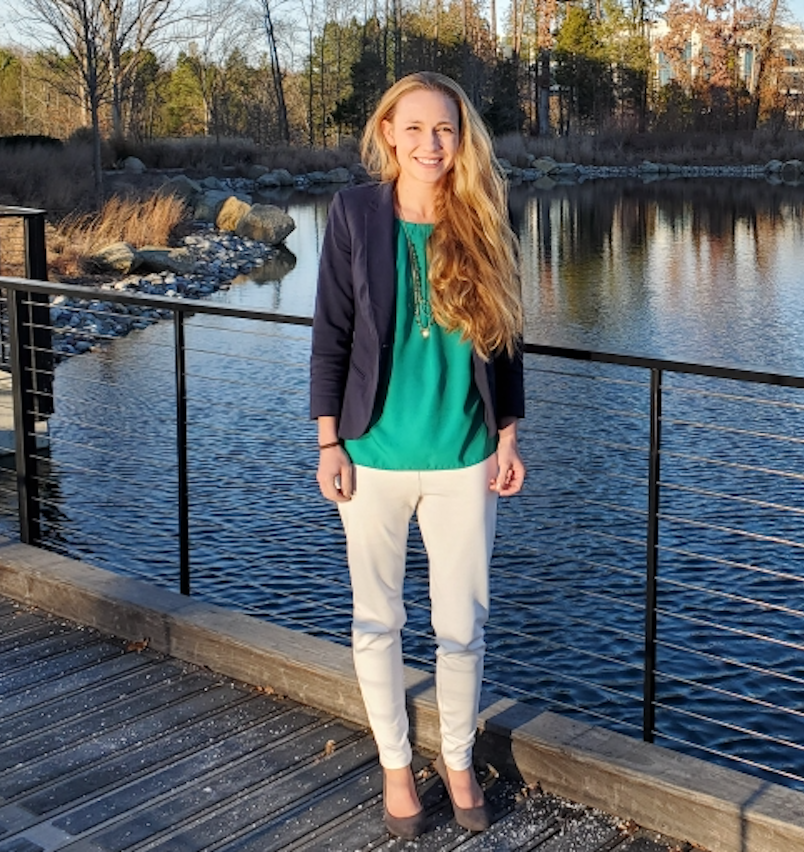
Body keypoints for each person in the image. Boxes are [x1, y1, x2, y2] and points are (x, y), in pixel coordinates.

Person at [309, 71, 526, 839]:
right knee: (378, 622)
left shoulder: (484, 212)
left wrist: (507, 432)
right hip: (372, 456)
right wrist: (328, 438)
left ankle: (458, 758)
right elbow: (331, 333)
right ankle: (397, 766)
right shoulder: (353, 214)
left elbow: (503, 337)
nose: (432, 144)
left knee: (462, 626)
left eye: (446, 129)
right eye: (416, 128)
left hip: (464, 456)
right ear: (388, 133)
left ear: (462, 138)